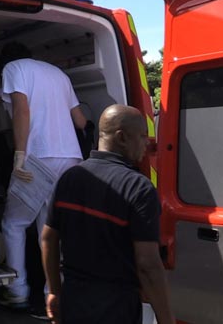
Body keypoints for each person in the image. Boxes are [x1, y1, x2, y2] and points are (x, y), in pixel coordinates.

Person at [41, 105, 175, 324]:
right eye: (142, 136)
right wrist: (167, 319)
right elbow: (147, 265)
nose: (147, 143)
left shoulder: (70, 178)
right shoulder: (138, 188)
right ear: (122, 137)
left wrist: (54, 291)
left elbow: (48, 238)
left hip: (73, 302)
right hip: (116, 308)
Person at [0, 41, 88, 318]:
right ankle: (52, 294)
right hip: (70, 158)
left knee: (13, 223)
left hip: (39, 156)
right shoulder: (60, 74)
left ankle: (18, 291)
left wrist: (19, 154)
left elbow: (22, 110)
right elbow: (81, 121)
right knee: (49, 226)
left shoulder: (13, 68)